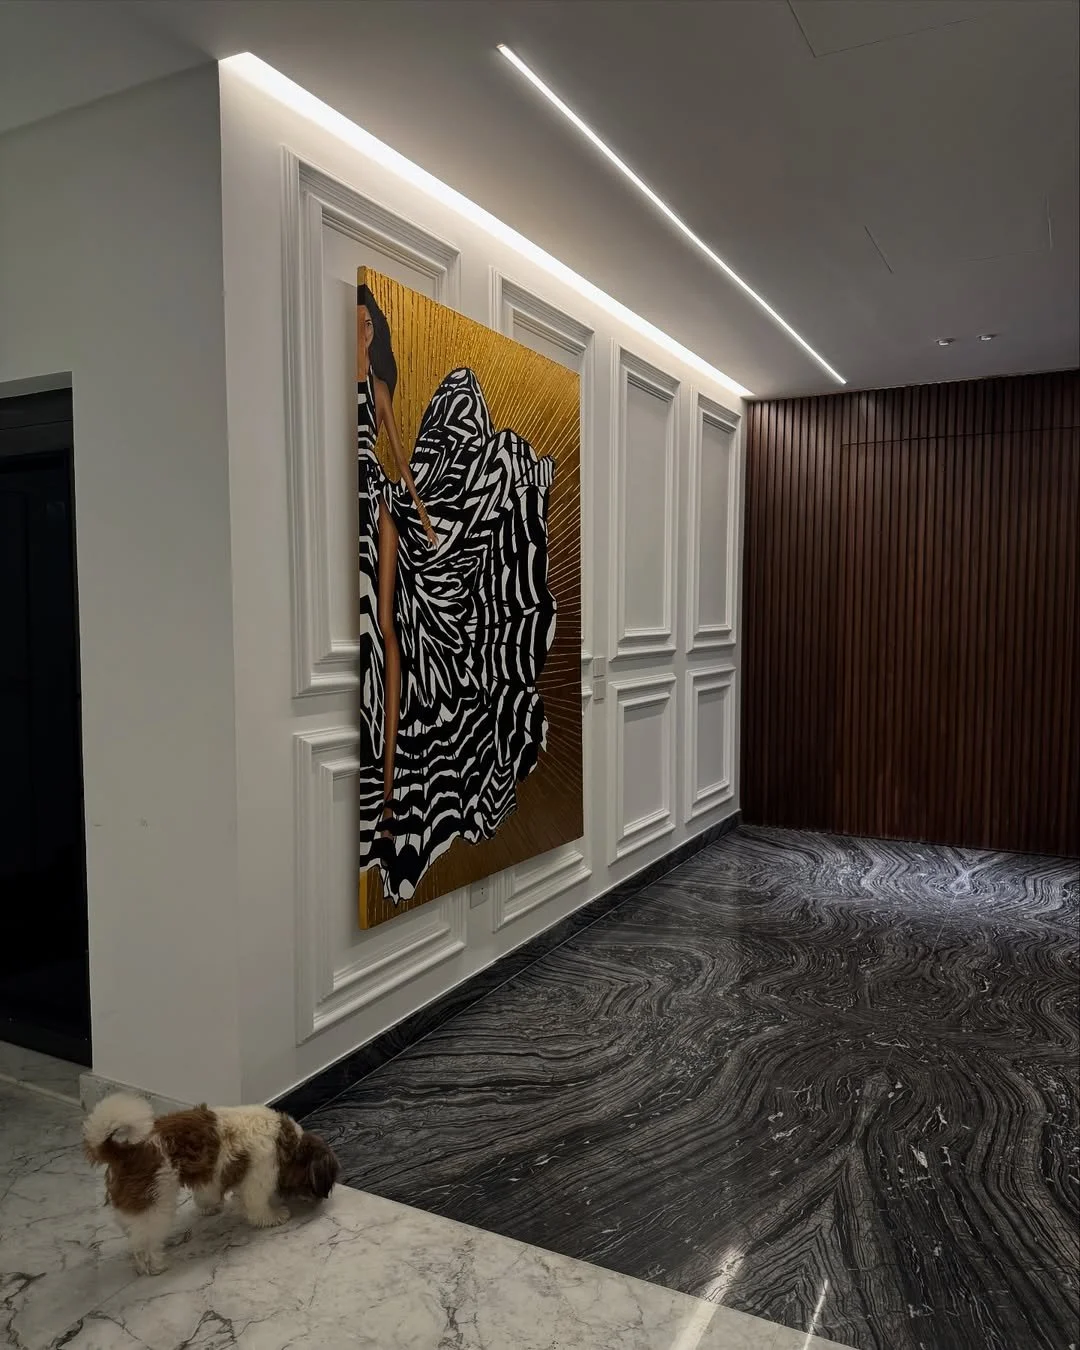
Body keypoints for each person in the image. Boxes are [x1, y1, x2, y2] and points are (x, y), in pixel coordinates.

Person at [356, 283, 557, 903]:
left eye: (368, 323)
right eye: (356, 321)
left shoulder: (377, 388)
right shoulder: (340, 384)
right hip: (361, 503)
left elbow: (397, 457)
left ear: (377, 332)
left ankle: (391, 797)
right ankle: (385, 797)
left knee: (392, 639)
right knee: (383, 637)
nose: (361, 330)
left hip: (382, 507)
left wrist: (424, 516)